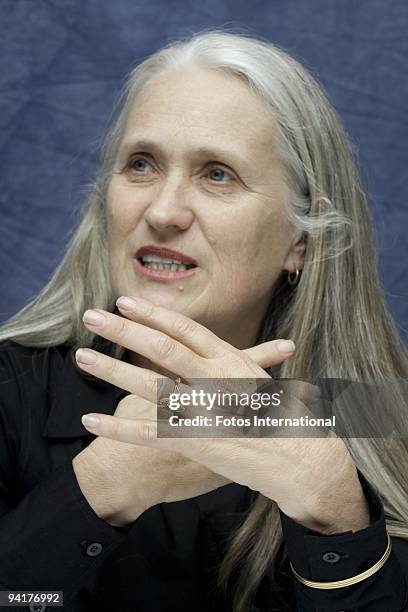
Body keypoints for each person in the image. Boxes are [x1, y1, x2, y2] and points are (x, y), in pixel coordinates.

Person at [0, 29, 407, 612]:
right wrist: (98, 491)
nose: (162, 212)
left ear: (300, 239)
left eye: (217, 174)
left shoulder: (383, 414)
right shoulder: (9, 391)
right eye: (140, 164)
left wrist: (339, 520)